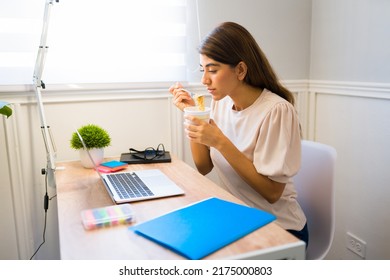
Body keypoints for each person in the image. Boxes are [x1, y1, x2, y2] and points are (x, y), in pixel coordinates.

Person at [169, 22, 308, 245]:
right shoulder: (221, 103)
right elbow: (203, 167)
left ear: (241, 70)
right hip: (240, 219)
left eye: (213, 70)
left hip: (280, 229)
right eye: (202, 69)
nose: (205, 79)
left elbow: (272, 193)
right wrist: (192, 112)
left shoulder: (277, 111)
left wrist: (221, 142)